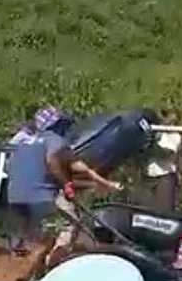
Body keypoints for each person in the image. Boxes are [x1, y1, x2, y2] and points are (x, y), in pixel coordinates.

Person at [6, 107, 122, 263]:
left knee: (40, 233)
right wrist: (66, 185)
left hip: (14, 197)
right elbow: (52, 161)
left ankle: (33, 260)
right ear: (56, 125)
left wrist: (105, 183)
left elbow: (80, 167)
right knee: (70, 224)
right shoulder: (54, 140)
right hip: (41, 198)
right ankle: (51, 266)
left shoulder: (23, 142)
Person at [141, 108, 182, 213]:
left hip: (164, 177)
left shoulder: (175, 137)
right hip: (147, 176)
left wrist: (155, 141)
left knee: (164, 211)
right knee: (144, 210)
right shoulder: (155, 133)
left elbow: (164, 153)